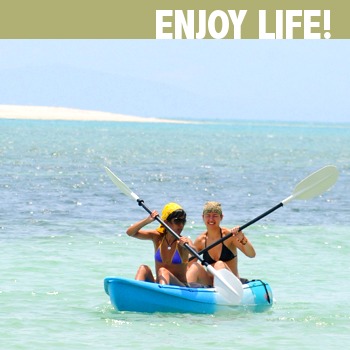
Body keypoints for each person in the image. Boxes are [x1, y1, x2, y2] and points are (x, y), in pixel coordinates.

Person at [186, 201, 256, 286]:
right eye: (208, 215)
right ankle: (183, 295)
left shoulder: (229, 236)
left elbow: (251, 254)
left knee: (219, 264)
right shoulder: (200, 241)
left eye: (215, 216)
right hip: (211, 285)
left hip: (231, 285)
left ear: (221, 217)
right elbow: (188, 264)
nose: (211, 219)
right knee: (194, 266)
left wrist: (242, 238)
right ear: (203, 217)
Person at [126, 202, 194, 286]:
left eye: (183, 221)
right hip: (159, 284)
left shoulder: (184, 241)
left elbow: (195, 252)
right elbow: (130, 232)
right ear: (166, 222)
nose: (181, 225)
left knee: (163, 271)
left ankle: (162, 294)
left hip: (180, 287)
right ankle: (135, 292)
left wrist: (187, 246)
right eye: (177, 221)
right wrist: (147, 220)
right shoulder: (157, 237)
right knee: (143, 268)